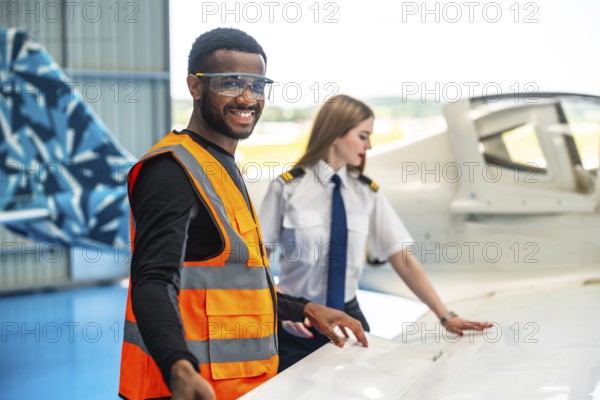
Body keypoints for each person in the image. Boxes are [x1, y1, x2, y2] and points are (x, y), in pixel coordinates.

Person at [118, 29, 368, 400]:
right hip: (186, 389)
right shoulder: (172, 170)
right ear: (195, 86)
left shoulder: (219, 164)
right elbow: (152, 281)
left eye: (257, 84)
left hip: (241, 386)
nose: (248, 98)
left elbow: (237, 282)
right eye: (231, 83)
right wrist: (179, 369)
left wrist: (307, 308)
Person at [259, 94, 492, 371]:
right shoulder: (287, 189)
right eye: (363, 136)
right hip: (299, 324)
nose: (369, 145)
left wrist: (445, 316)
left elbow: (401, 258)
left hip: (348, 320)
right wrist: (284, 309)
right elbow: (256, 262)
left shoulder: (366, 193)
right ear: (336, 134)